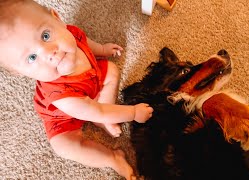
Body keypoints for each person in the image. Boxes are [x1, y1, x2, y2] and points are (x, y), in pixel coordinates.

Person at [0, 0, 154, 179]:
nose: (50, 53)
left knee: (111, 70)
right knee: (64, 146)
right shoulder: (61, 97)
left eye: (45, 36)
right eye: (32, 57)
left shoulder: (70, 33)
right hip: (64, 117)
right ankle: (112, 158)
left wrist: (102, 50)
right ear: (21, 73)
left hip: (91, 82)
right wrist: (133, 112)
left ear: (57, 18)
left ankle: (102, 122)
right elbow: (99, 110)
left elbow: (85, 41)